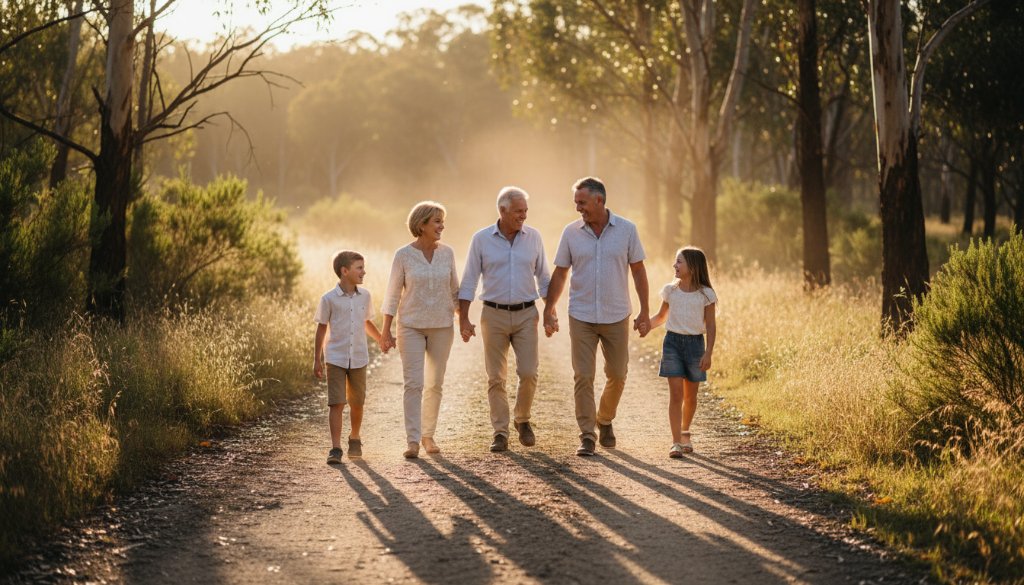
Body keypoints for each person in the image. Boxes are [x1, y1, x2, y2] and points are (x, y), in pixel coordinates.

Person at [544, 176, 650, 456]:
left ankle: (604, 419)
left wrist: (644, 311)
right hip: (581, 315)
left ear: (599, 200)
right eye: (576, 202)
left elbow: (638, 270)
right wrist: (549, 308)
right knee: (583, 375)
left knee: (618, 374)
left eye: (582, 202)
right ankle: (587, 435)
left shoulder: (627, 230)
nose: (578, 208)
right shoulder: (570, 233)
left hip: (616, 314)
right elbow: (560, 272)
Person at [458, 186, 551, 453]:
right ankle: (500, 432)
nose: (524, 216)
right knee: (496, 377)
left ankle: (522, 419)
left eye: (526, 211)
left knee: (529, 372)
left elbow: (544, 278)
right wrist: (464, 318)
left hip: (526, 314)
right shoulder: (481, 239)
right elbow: (469, 280)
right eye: (518, 211)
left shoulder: (534, 238)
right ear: (502, 210)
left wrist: (550, 311)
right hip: (493, 314)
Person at [381, 201, 460, 459]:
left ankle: (428, 436)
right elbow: (392, 294)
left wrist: (465, 320)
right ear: (422, 224)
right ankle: (413, 440)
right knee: (414, 383)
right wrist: (385, 331)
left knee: (435, 383)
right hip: (411, 326)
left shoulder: (447, 253)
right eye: (437, 221)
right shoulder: (403, 255)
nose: (442, 226)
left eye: (442, 221)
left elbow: (455, 291)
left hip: (442, 326)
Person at [313, 250, 387, 464]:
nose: (364, 272)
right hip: (335, 357)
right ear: (344, 271)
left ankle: (354, 437)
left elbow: (366, 322)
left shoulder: (365, 296)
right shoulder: (328, 299)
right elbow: (321, 328)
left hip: (359, 357)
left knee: (357, 402)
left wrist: (381, 339)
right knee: (336, 403)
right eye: (359, 268)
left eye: (363, 267)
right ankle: (335, 448)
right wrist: (317, 359)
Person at [649, 246, 717, 458]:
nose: (674, 265)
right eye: (675, 261)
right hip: (672, 344)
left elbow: (711, 325)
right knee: (676, 394)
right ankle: (676, 442)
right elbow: (660, 317)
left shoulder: (706, 294)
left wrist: (708, 353)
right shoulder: (670, 291)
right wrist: (645, 325)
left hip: (695, 345)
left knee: (691, 396)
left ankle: (685, 430)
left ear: (693, 267)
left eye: (679, 262)